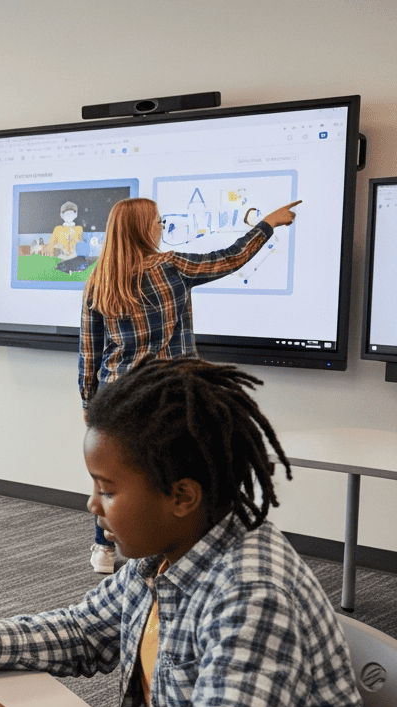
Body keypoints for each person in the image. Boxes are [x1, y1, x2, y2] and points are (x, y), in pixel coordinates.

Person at [0, 357, 371, 707]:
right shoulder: (165, 556)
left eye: (107, 490)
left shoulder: (254, 595)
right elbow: (84, 631)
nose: (92, 504)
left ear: (181, 496)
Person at [78, 196, 300, 573]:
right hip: (168, 396)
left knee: (115, 477)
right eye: (158, 221)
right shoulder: (171, 267)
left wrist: (89, 405)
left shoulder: (98, 280)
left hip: (115, 396)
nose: (162, 226)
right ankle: (171, 548)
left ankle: (105, 547)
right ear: (142, 229)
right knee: (169, 473)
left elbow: (89, 352)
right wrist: (267, 224)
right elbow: (230, 258)